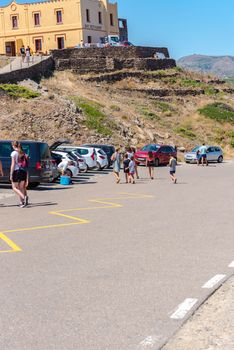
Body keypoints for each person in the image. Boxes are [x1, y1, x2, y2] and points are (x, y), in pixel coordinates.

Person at [10, 141, 28, 207]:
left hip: (16, 171)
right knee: (21, 188)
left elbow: (13, 164)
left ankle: (24, 197)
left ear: (13, 146)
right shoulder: (22, 152)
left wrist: (11, 174)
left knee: (14, 187)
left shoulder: (14, 153)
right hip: (23, 171)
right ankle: (22, 202)